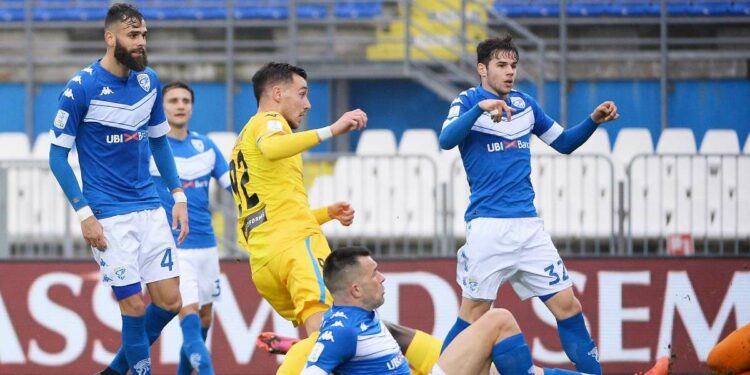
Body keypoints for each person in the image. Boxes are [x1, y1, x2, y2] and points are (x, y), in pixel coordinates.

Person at [230, 62, 441, 374]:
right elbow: (274, 147)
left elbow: (269, 216)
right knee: (329, 336)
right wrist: (333, 129)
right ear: (276, 93)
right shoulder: (270, 122)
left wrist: (325, 214)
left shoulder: (240, 144)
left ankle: (295, 349)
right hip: (295, 250)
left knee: (334, 334)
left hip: (263, 260)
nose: (307, 104)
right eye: (301, 94)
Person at [438, 35, 620, 375]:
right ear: (482, 69)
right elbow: (446, 140)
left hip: (529, 227)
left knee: (568, 305)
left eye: (514, 66)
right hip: (488, 228)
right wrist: (480, 108)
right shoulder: (467, 101)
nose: (510, 72)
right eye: (501, 66)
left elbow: (563, 142)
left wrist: (592, 121)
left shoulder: (525, 105)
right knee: (474, 315)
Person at [48, 4, 186, 375]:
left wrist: (178, 196)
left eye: (143, 36)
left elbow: (159, 142)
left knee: (170, 301)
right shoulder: (82, 88)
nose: (141, 43)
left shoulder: (148, 82)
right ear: (110, 38)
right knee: (135, 308)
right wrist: (85, 213)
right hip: (109, 216)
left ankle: (111, 373)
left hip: (151, 208)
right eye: (133, 36)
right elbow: (57, 156)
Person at [302, 246, 591, 375]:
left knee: (491, 369)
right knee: (499, 320)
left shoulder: (354, 318)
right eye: (374, 273)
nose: (382, 278)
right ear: (355, 290)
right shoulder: (342, 329)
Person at [149, 81, 233, 374]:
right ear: (162, 108)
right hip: (174, 248)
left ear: (192, 107)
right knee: (190, 317)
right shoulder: (151, 147)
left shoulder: (206, 146)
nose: (181, 105)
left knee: (205, 320)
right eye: (173, 100)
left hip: (207, 246)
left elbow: (232, 185)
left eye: (186, 100)